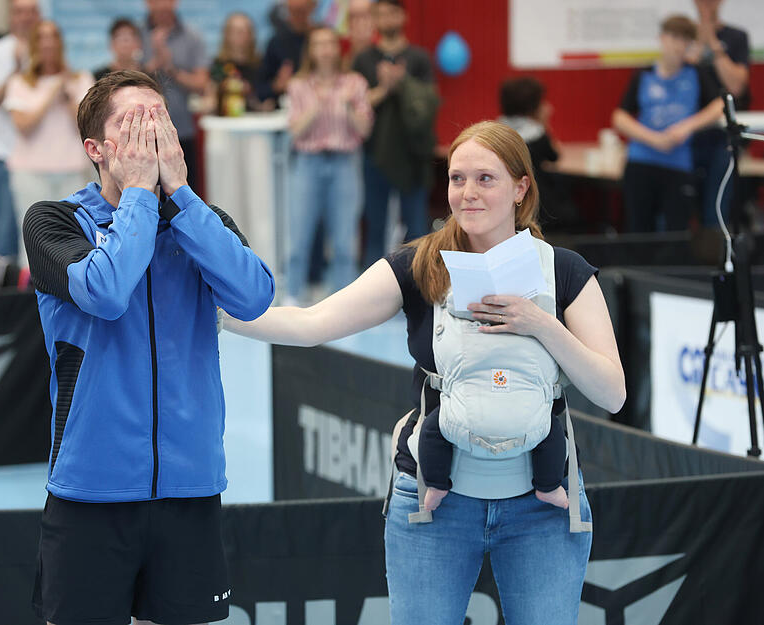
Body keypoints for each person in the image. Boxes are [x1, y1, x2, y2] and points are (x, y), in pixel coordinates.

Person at [224, 120, 626, 624]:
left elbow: (612, 393)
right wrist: (220, 316)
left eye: (486, 178)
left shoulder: (564, 271)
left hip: (541, 509)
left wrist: (542, 325)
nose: (467, 193)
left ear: (521, 188)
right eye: (457, 178)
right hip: (434, 504)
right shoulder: (419, 265)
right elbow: (312, 323)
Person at [23, 70, 275, 625]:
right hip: (91, 489)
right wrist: (139, 193)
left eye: (158, 119)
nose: (150, 133)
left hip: (190, 486)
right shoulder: (54, 221)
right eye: (132, 123)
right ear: (95, 148)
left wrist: (181, 196)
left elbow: (254, 297)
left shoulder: (199, 223)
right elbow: (107, 292)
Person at [612, 15, 723, 233]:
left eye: (684, 40)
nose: (677, 45)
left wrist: (687, 127)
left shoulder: (695, 74)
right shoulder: (644, 74)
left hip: (677, 164)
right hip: (642, 160)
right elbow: (620, 117)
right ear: (662, 39)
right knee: (638, 230)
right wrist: (654, 139)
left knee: (676, 232)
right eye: (673, 38)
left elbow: (719, 105)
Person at [285, 26, 372, 304]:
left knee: (345, 239)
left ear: (338, 48)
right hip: (308, 164)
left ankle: (343, 301)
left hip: (345, 163)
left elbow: (365, 128)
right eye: (318, 44)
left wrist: (346, 106)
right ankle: (293, 294)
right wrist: (316, 107)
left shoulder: (355, 83)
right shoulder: (298, 85)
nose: (324, 49)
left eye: (330, 43)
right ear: (310, 50)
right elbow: (295, 130)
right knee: (300, 235)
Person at [353, 0, 438, 270]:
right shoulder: (363, 59)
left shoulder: (419, 58)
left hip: (413, 156)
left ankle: (420, 288)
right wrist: (384, 88)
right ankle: (370, 294)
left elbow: (429, 103)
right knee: (374, 227)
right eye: (381, 14)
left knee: (416, 230)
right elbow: (355, 103)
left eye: (392, 13)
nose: (387, 19)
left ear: (402, 16)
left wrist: (403, 83)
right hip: (374, 154)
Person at [4, 20, 94, 268]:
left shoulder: (80, 78)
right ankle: (30, 293)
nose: (48, 43)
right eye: (41, 38)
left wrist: (65, 94)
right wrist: (50, 93)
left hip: (71, 170)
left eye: (53, 37)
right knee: (32, 236)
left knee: (74, 234)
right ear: (34, 45)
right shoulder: (19, 83)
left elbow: (86, 123)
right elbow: (23, 126)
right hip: (30, 172)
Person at [0, 0, 42, 259]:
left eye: (31, 11)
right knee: (4, 228)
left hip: (43, 156)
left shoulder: (49, 49)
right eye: (19, 12)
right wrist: (18, 68)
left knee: (38, 228)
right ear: (10, 16)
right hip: (6, 151)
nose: (25, 17)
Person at [687, 0, 750, 229]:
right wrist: (696, 42)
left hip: (723, 134)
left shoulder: (736, 37)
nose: (706, 5)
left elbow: (736, 86)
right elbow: (676, 78)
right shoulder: (684, 37)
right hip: (688, 132)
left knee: (716, 204)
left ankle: (718, 249)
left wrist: (712, 42)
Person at [141, 0, 209, 192]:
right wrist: (153, 64)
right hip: (141, 135)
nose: (162, 5)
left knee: (184, 197)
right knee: (143, 197)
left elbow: (202, 84)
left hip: (181, 132)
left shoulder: (192, 37)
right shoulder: (136, 35)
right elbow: (122, 78)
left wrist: (171, 68)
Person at [498, 76, 572, 229]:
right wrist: (543, 123)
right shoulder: (536, 133)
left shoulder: (498, 131)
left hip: (503, 204)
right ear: (534, 106)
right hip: (538, 204)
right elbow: (554, 155)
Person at [256, 0, 316, 107]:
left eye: (302, 10)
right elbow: (260, 89)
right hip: (287, 108)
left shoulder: (320, 38)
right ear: (288, 10)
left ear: (312, 8)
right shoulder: (276, 42)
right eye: (294, 10)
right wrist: (277, 85)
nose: (299, 15)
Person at [207, 12, 264, 116]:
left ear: (251, 35)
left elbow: (265, 101)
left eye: (243, 31)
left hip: (255, 122)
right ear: (226, 35)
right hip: (226, 123)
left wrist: (250, 94)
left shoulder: (260, 64)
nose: (239, 35)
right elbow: (211, 96)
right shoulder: (219, 65)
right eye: (235, 31)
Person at [341, 0, 376, 71]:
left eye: (364, 16)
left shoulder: (383, 39)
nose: (360, 22)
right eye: (354, 17)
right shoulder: (341, 44)